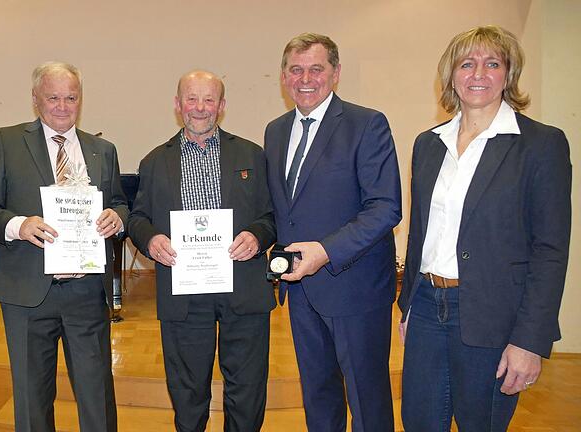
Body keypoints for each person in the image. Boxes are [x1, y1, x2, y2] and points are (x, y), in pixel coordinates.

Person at [397, 25, 572, 431]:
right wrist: (408, 303)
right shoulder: (428, 143)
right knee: (419, 422)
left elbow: (550, 250)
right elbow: (422, 231)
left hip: (493, 316)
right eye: (467, 63)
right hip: (426, 307)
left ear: (508, 75)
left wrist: (530, 340)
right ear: (452, 75)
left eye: (492, 63)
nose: (479, 73)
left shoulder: (541, 145)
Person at [0, 61, 126, 432]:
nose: (62, 105)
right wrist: (18, 224)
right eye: (53, 97)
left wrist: (117, 218)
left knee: (97, 397)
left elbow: (120, 202)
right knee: (31, 398)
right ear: (35, 100)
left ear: (80, 100)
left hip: (87, 291)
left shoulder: (101, 149)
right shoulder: (7, 141)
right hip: (27, 293)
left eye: (70, 97)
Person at [264, 33, 402, 431]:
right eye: (295, 70)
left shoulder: (366, 124)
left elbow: (385, 207)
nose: (305, 78)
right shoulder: (275, 130)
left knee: (366, 397)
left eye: (316, 69)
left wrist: (325, 251)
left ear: (335, 74)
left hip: (354, 288)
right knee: (318, 393)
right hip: (301, 290)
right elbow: (282, 210)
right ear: (284, 77)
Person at [128, 70, 276, 432]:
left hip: (243, 288)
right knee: (187, 390)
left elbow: (272, 216)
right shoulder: (153, 162)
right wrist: (150, 239)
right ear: (178, 105)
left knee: (248, 388)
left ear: (222, 106)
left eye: (209, 99)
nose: (200, 108)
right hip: (184, 291)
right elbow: (137, 218)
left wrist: (257, 236)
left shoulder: (253, 155)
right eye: (191, 99)